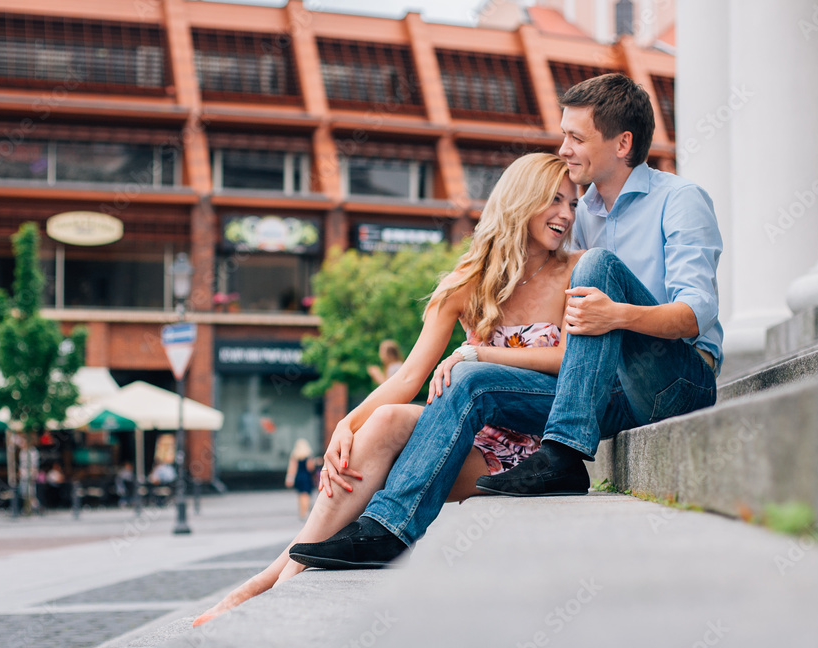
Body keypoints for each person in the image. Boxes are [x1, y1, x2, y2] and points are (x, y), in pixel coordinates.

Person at [289, 72, 723, 568]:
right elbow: (525, 246)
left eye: (576, 137)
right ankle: (388, 529)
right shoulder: (581, 215)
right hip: (602, 391)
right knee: (472, 380)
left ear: (622, 143)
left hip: (676, 378)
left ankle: (561, 455)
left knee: (595, 267)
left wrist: (616, 314)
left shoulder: (679, 199)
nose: (564, 149)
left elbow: (695, 315)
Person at [193, 152, 582, 626]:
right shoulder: (469, 283)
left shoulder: (576, 271)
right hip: (473, 436)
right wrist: (345, 424)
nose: (566, 213)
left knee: (442, 398)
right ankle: (291, 567)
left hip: (539, 444)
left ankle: (271, 581)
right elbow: (406, 379)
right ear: (522, 200)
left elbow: (570, 362)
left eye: (574, 203)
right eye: (555, 199)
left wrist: (480, 354)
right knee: (384, 421)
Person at [285, 438, 317, 520]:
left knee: (300, 495)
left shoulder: (295, 456)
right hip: (306, 477)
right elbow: (310, 467)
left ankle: (302, 512)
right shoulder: (308, 456)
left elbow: (292, 468)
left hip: (298, 477)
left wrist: (289, 479)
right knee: (306, 495)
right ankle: (305, 512)